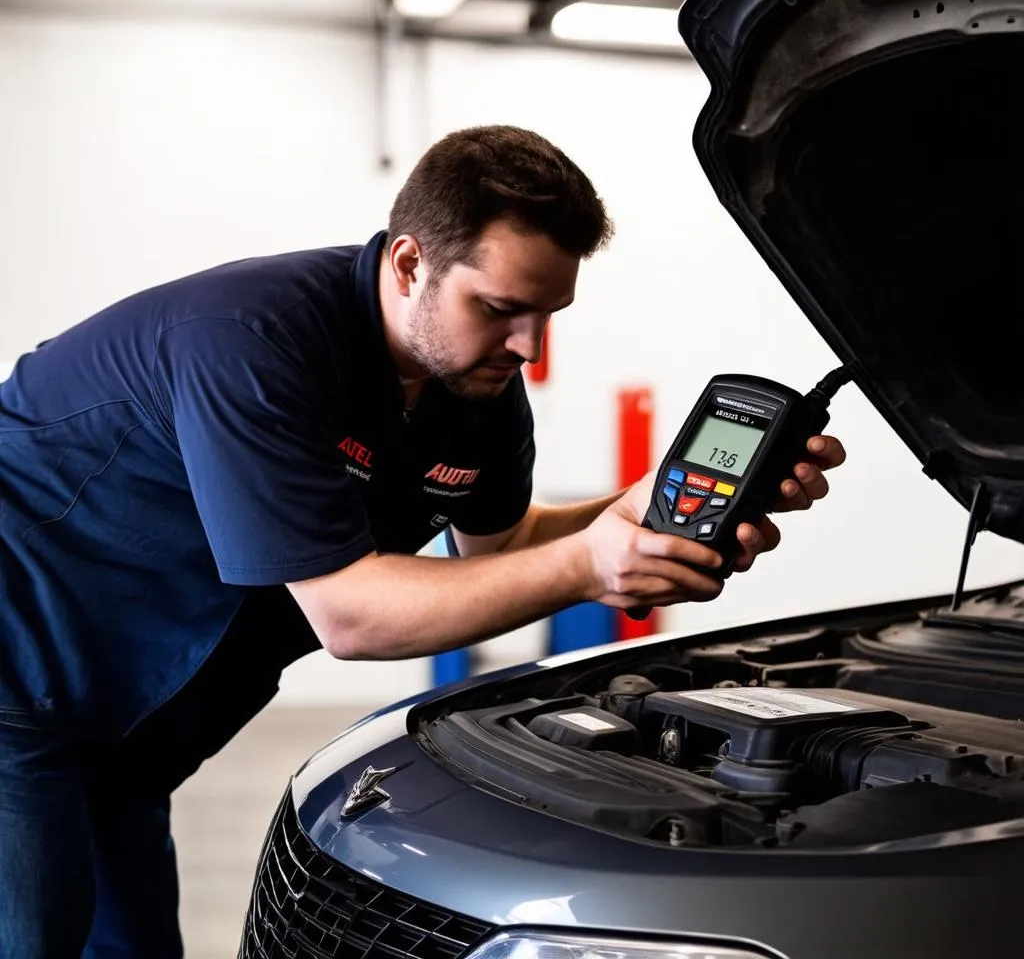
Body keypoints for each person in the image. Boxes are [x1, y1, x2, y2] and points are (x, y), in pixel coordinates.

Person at [0, 124, 845, 957]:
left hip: (134, 725)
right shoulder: (253, 340)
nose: (528, 347)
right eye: (501, 309)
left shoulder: (478, 394)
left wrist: (643, 512)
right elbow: (351, 615)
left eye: (549, 315)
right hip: (21, 678)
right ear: (410, 265)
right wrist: (591, 564)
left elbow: (501, 545)